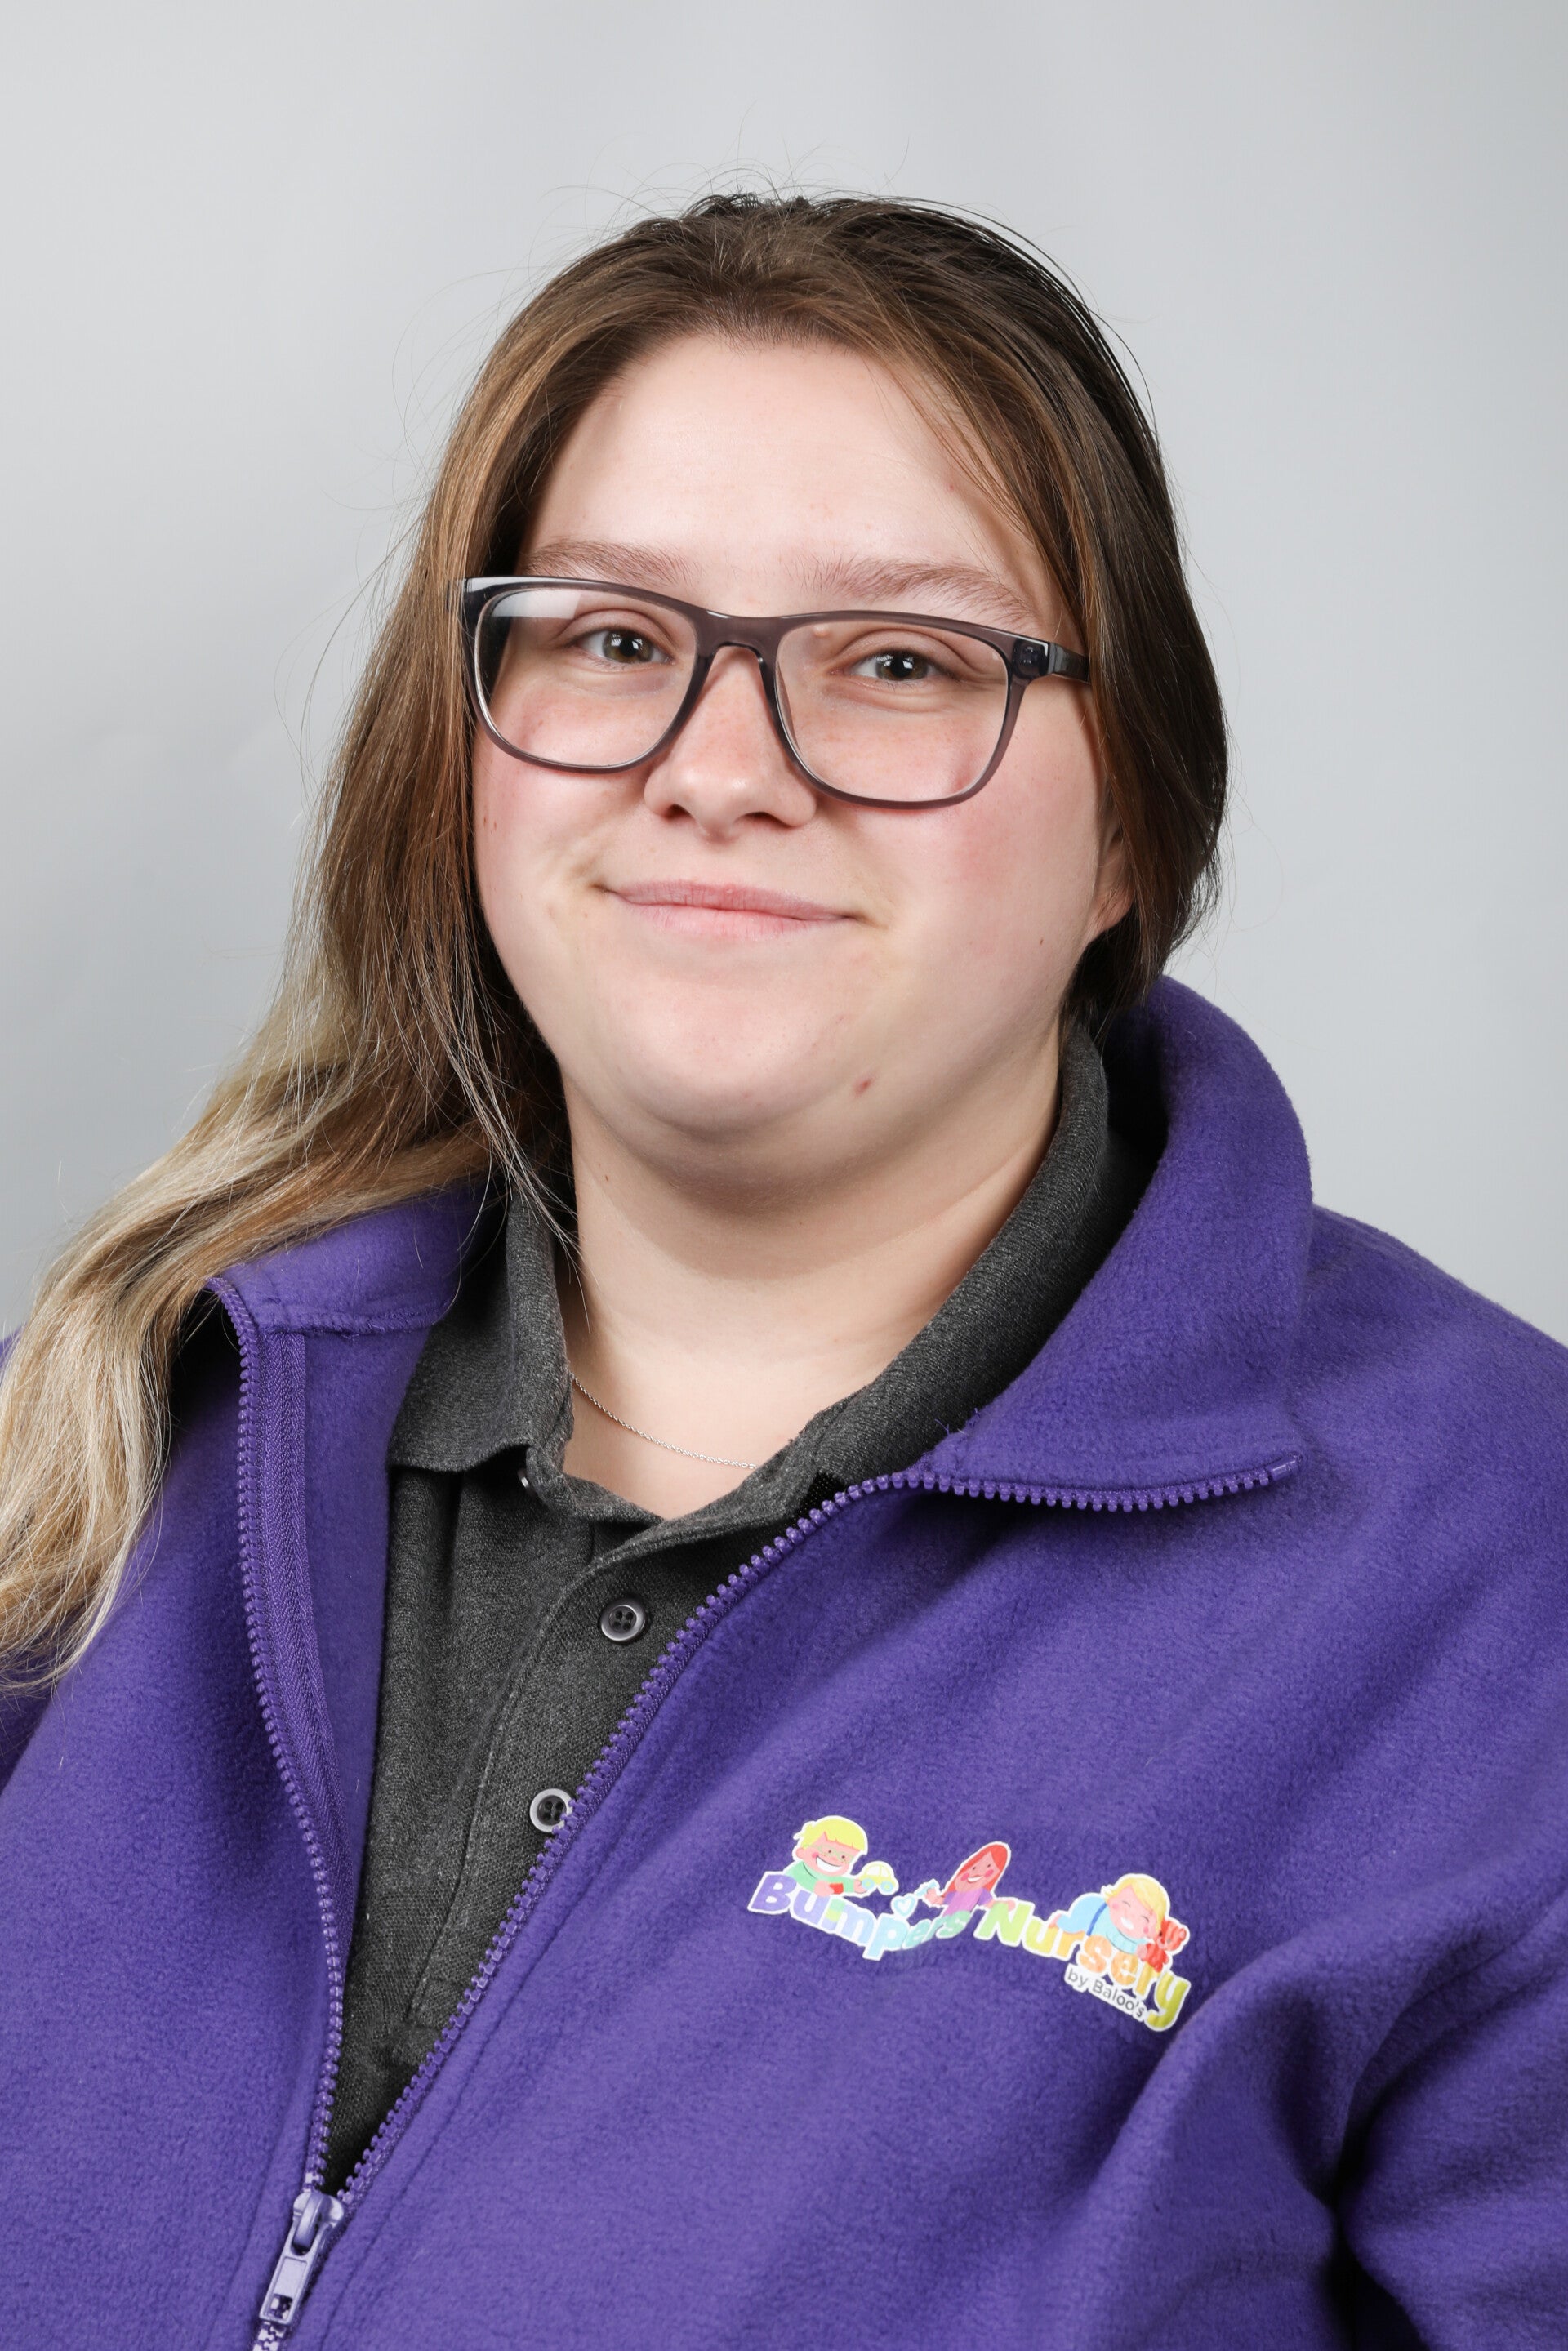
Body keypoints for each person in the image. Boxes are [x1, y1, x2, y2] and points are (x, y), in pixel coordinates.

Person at [0, 192, 1563, 2350]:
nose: (719, 772)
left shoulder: (1504, 1583)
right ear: (465, 748)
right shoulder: (102, 1429)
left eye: (900, 660)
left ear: (1130, 825)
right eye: (612, 641)